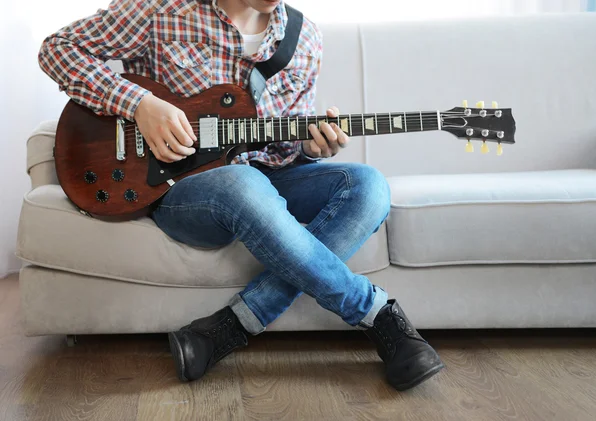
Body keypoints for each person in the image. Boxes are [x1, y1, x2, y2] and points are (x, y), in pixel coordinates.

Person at [38, 0, 444, 391]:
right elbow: (57, 50)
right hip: (178, 189)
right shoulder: (160, 8)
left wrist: (310, 145)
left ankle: (229, 328)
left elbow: (281, 150)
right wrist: (141, 103)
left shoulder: (304, 38)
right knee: (243, 184)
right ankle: (376, 314)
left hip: (265, 179)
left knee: (369, 186)